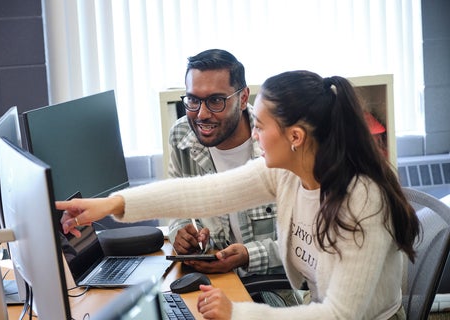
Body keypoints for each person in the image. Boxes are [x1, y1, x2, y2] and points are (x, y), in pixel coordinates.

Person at [58, 70, 419, 319]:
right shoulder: (288, 173)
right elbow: (201, 194)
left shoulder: (363, 200)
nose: (254, 135)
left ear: (295, 137)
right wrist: (112, 205)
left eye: (260, 126)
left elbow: (340, 315)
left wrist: (238, 313)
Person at [166, 49, 288, 304]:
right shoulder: (182, 137)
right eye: (193, 100)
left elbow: (307, 245)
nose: (201, 114)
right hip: (217, 283)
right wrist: (182, 234)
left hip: (279, 292)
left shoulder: (278, 142)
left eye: (216, 101)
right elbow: (177, 207)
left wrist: (247, 255)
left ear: (243, 98)